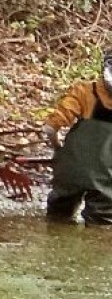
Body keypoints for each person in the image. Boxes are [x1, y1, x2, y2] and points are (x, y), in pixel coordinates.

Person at [41, 50, 112, 224]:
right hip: (106, 178)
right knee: (101, 222)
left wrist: (58, 148)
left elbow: (50, 128)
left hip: (70, 171)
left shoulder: (84, 91)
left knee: (57, 218)